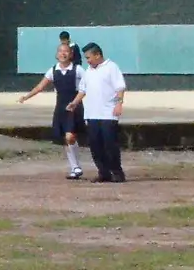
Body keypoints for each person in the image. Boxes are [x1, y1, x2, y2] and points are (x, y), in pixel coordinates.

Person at [20, 41, 86, 179]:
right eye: (60, 51)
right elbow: (40, 87)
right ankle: (75, 167)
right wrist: (26, 97)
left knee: (70, 136)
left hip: (74, 106)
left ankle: (76, 166)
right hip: (61, 106)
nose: (63, 53)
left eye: (66, 51)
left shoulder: (78, 70)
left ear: (71, 54)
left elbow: (87, 86)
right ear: (56, 54)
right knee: (66, 138)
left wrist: (77, 102)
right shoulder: (52, 70)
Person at [74, 42, 127, 183]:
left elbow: (120, 87)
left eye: (89, 57)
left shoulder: (111, 67)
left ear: (98, 55)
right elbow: (82, 90)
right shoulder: (89, 71)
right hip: (92, 114)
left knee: (110, 144)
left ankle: (116, 172)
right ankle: (103, 172)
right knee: (95, 145)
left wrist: (119, 104)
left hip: (108, 114)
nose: (88, 61)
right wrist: (74, 103)